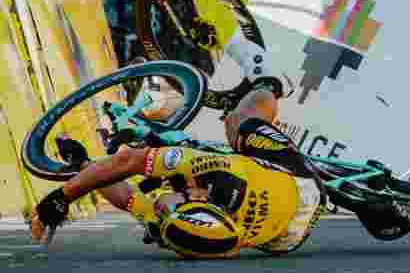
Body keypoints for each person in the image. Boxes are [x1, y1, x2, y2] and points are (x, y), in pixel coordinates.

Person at [29, 75, 332, 258]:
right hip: (302, 186)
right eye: (168, 206)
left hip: (286, 239)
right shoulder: (219, 174)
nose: (160, 206)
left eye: (161, 212)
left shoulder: (177, 226)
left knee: (165, 171)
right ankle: (271, 84)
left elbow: (129, 198)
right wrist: (62, 198)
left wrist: (82, 164)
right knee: (238, 122)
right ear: (199, 198)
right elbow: (129, 161)